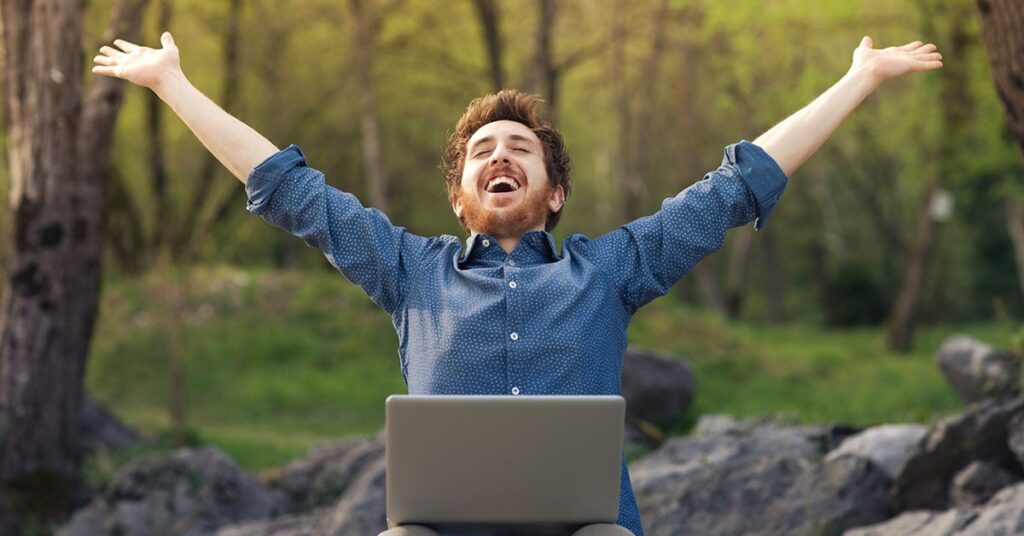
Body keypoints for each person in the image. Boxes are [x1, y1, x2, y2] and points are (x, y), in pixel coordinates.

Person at [92, 30, 942, 536]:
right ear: (459, 198)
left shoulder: (610, 270)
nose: (499, 157)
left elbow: (737, 187)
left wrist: (859, 79)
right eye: (480, 155)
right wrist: (172, 84)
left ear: (555, 192)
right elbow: (287, 186)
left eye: (520, 150)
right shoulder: (409, 272)